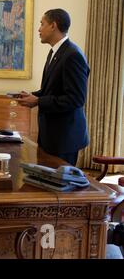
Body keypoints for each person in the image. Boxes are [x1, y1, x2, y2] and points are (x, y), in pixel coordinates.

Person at [17, 9, 90, 166]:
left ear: (53, 26)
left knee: (59, 189)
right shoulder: (54, 53)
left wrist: (39, 101)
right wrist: (32, 96)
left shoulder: (72, 55)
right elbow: (51, 90)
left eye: (42, 24)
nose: (39, 29)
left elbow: (76, 99)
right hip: (51, 135)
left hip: (64, 138)